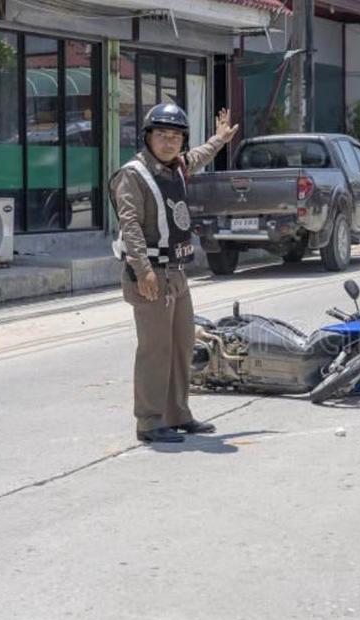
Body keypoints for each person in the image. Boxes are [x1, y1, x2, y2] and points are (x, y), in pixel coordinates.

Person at [111, 103, 239, 443]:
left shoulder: (177, 167)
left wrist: (219, 139)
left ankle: (178, 413)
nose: (169, 142)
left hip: (177, 273)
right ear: (147, 137)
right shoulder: (133, 175)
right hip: (151, 274)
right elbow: (131, 225)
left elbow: (197, 157)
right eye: (162, 135)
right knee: (156, 350)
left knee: (182, 346)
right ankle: (150, 421)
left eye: (176, 136)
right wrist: (142, 271)